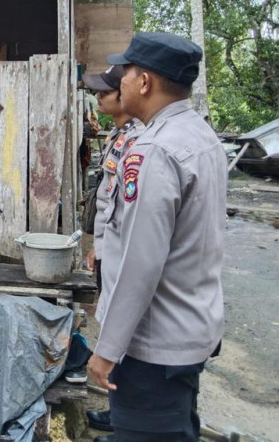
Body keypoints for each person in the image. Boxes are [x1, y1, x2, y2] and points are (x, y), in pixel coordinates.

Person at [87, 32, 227, 441]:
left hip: (153, 344)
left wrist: (107, 349)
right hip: (190, 327)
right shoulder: (200, 136)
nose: (122, 81)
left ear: (144, 81)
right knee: (178, 426)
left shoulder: (155, 150)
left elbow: (140, 262)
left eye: (126, 72)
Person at [80, 65, 143, 438]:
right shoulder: (118, 134)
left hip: (125, 252)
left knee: (127, 331)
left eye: (105, 92)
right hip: (110, 248)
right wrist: (98, 247)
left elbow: (124, 205)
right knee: (112, 322)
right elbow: (106, 200)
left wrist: (108, 247)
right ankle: (119, 411)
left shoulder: (139, 139)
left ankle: (128, 418)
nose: (100, 98)